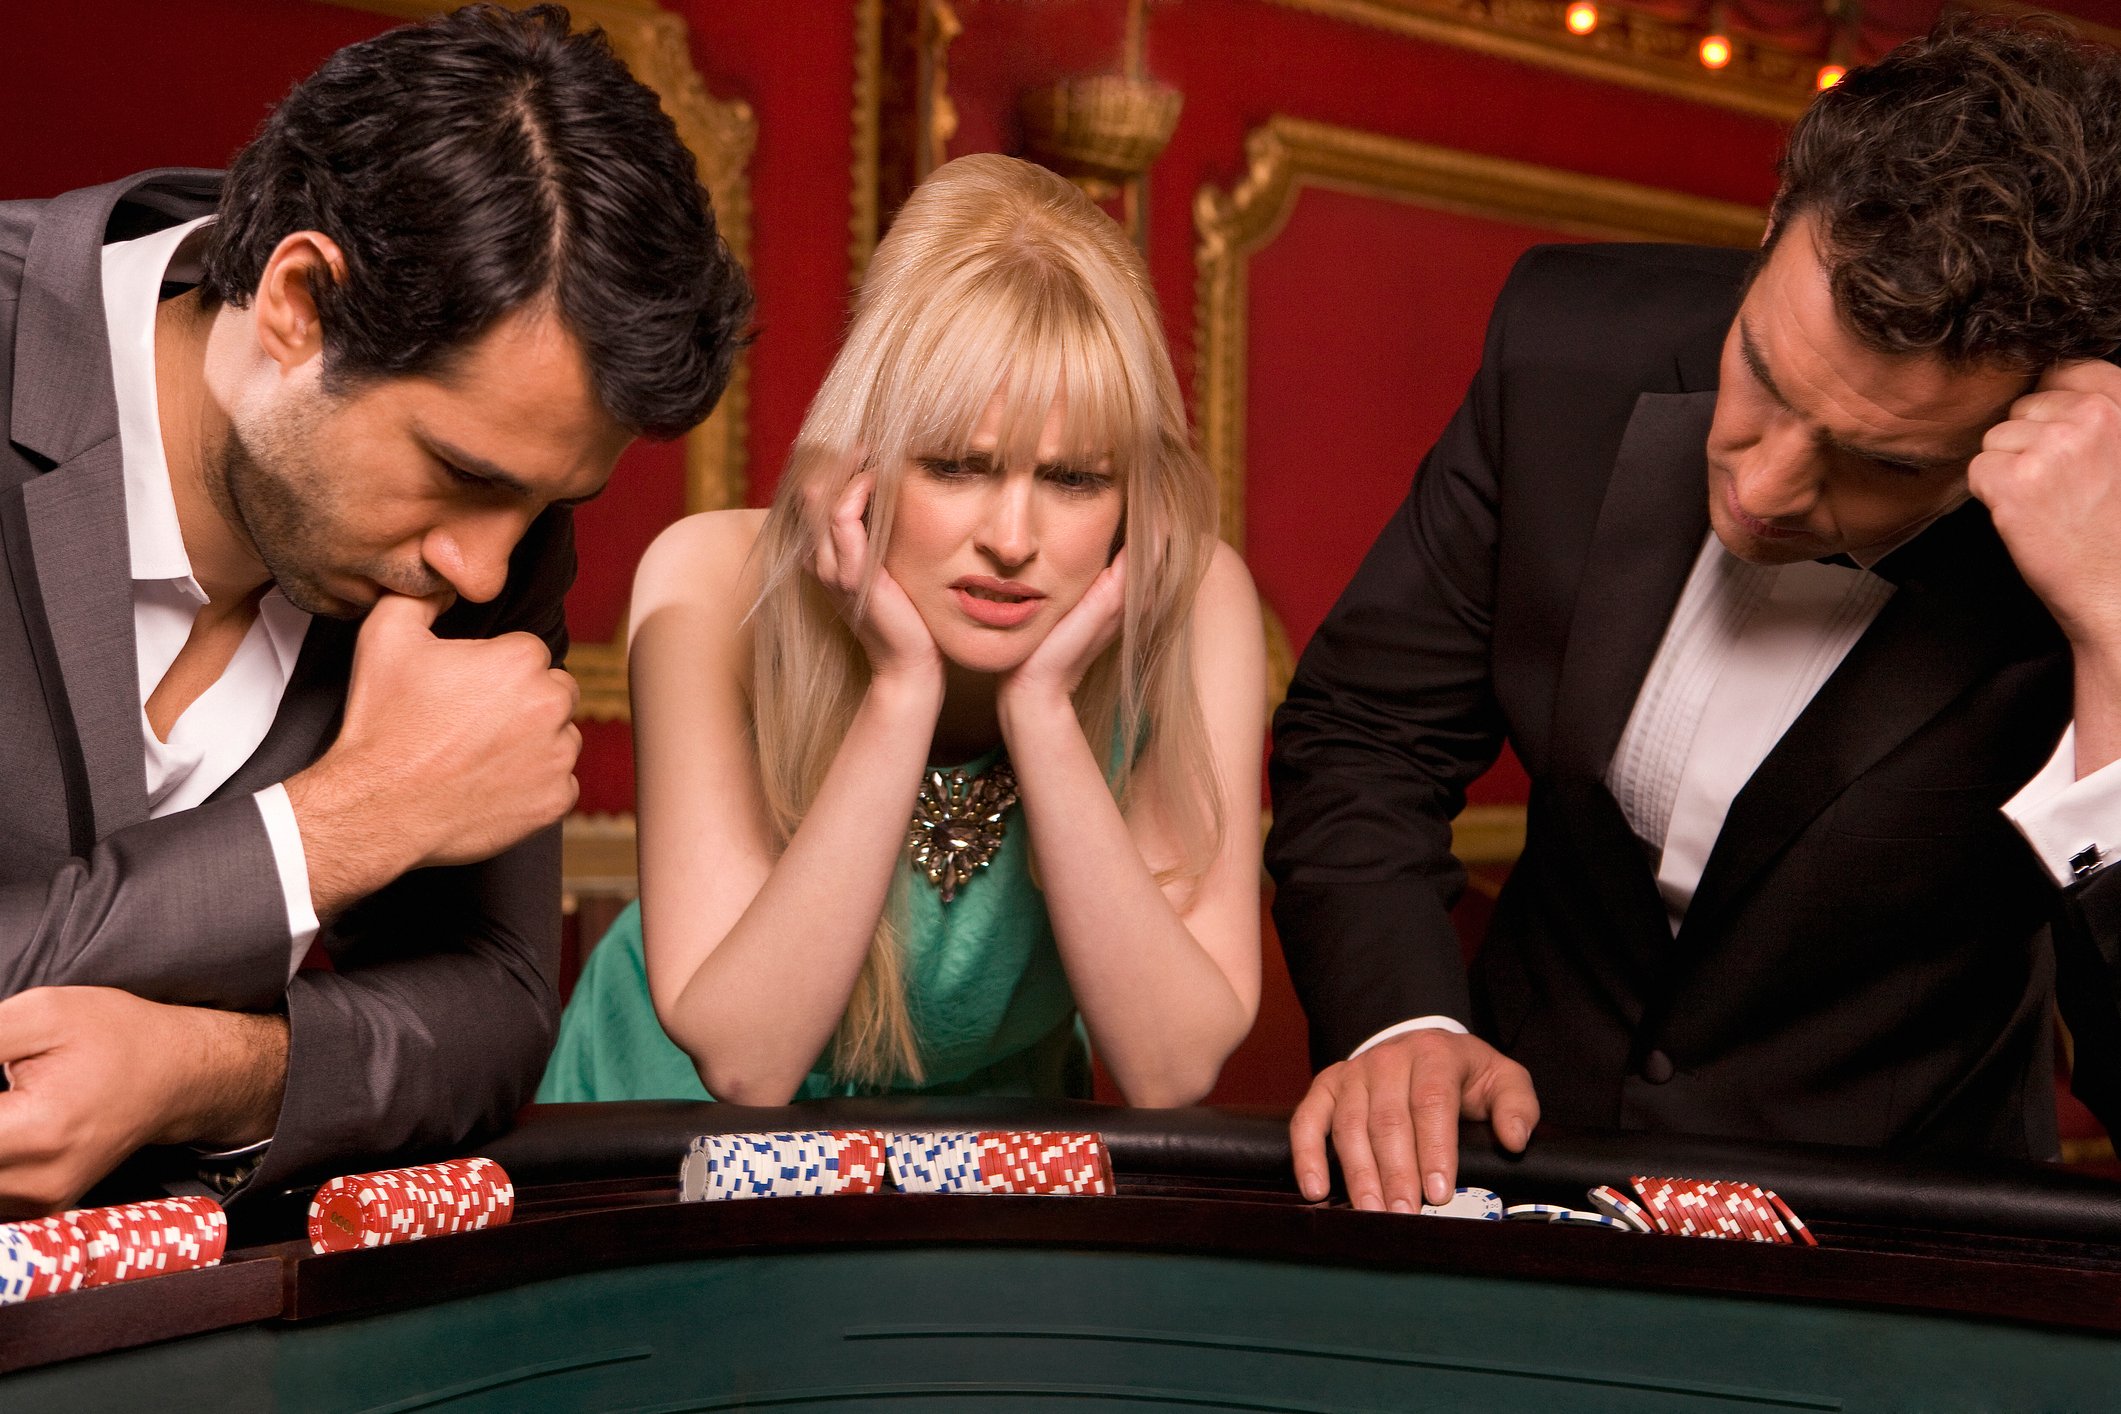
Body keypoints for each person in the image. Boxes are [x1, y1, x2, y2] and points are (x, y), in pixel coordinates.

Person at [1267, 16, 2121, 1212]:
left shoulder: (2096, 553)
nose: (1760, 488)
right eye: (1764, 374)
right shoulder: (1564, 346)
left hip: (1889, 1266)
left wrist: (2113, 630)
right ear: (1774, 227)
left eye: (1877, 462)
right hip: (1521, 1188)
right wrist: (1401, 1026)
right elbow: (1366, 733)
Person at [0, 4, 750, 1212]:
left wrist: (209, 1074)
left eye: (551, 502)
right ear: (299, 302)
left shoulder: (489, 529)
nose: (489, 576)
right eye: (465, 474)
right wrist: (336, 827)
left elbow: (497, 1010)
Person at [541, 154, 1264, 1108]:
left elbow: (1169, 1068)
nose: (1012, 541)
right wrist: (900, 688)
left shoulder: (1194, 598)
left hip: (980, 1185)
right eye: (958, 466)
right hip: (669, 1149)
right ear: (864, 454)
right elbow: (747, 1062)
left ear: (1134, 496)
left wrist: (1042, 711)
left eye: (1074, 480)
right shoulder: (708, 584)